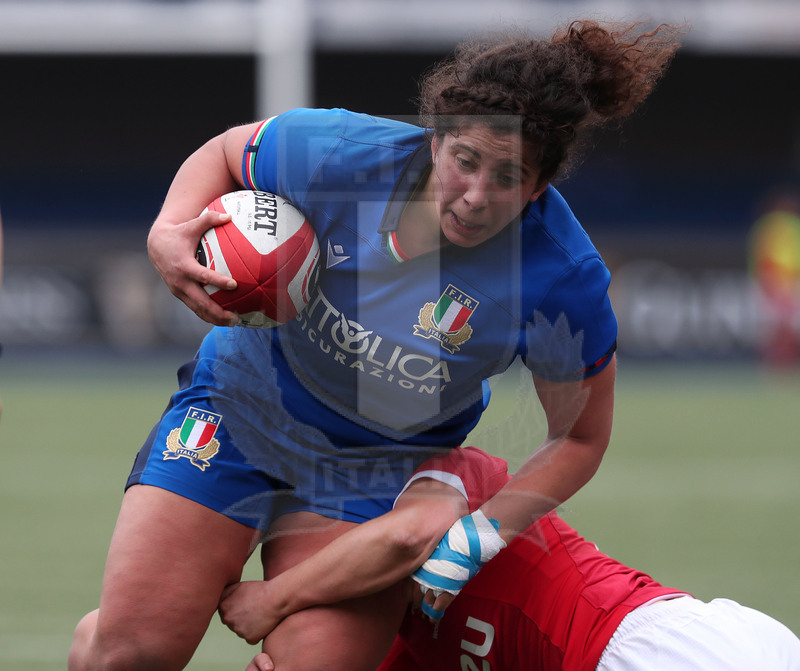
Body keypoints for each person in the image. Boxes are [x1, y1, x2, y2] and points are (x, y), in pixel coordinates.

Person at [69, 19, 682, 671]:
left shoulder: (563, 274)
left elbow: (579, 437)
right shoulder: (342, 152)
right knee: (128, 654)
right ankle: (103, 638)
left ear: (539, 185)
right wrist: (167, 230)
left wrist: (477, 535)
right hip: (238, 411)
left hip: (374, 470)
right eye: (465, 161)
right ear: (437, 138)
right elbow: (225, 153)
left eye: (506, 177)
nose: (475, 196)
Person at [223, 446, 800, 671]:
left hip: (653, 649)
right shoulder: (398, 648)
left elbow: (402, 538)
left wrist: (273, 599)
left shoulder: (456, 473)